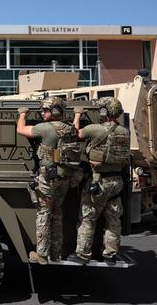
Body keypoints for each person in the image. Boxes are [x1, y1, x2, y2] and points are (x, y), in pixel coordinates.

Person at [17, 96, 82, 265]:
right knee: (57, 213)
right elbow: (76, 129)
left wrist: (22, 114)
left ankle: (42, 255)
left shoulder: (45, 128)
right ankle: (56, 252)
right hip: (64, 178)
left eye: (45, 110)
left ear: (54, 112)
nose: (42, 113)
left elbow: (21, 130)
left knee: (44, 213)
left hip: (48, 179)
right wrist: (77, 116)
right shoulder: (69, 129)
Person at [67, 97, 130, 265]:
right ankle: (110, 255)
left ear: (104, 112)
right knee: (113, 220)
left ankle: (82, 255)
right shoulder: (124, 132)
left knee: (88, 218)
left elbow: (75, 133)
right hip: (117, 182)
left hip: (99, 182)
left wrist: (78, 115)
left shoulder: (96, 129)